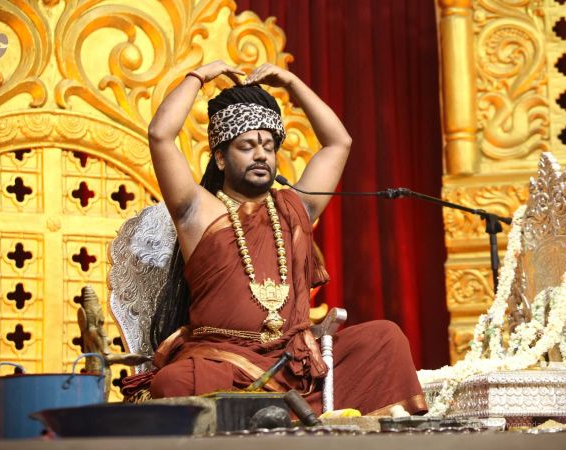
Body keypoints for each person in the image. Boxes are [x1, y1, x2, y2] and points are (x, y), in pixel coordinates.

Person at [122, 61, 427, 415]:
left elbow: (338, 142)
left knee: (385, 338)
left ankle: (280, 412)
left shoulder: (295, 208)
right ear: (220, 158)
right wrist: (199, 76)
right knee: (174, 382)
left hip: (294, 362)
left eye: (269, 146)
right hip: (224, 362)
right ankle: (285, 414)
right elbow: (160, 134)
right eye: (247, 146)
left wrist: (292, 82)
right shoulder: (197, 211)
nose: (261, 155)